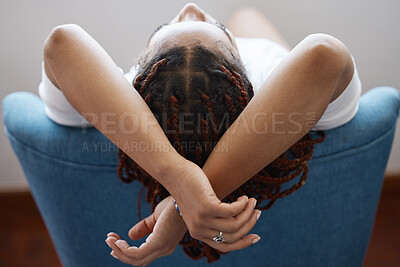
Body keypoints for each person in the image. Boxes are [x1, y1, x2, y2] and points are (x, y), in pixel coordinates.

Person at [40, 3, 361, 265]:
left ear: (136, 81)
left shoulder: (109, 105)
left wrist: (182, 193)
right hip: (273, 68)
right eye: (222, 33)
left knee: (245, 14)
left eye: (164, 29)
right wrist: (187, 195)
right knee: (246, 15)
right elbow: (323, 53)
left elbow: (61, 41)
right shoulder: (282, 96)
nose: (190, 6)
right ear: (248, 81)